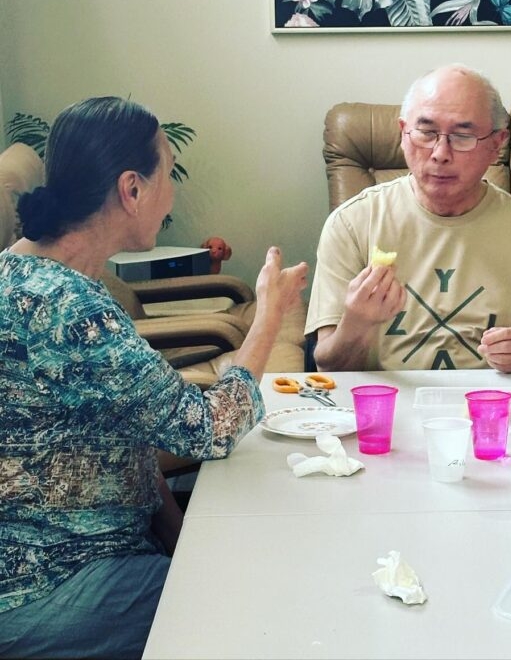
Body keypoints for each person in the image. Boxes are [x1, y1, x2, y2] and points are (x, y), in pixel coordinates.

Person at [0, 97, 308, 659]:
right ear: (131, 189)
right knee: (268, 600)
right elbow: (209, 430)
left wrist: (178, 540)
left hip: (75, 555)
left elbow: (133, 435)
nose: (172, 193)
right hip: (50, 584)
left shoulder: (31, 274)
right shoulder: (69, 309)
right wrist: (270, 316)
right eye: (167, 173)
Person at [306, 64, 511, 372]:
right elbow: (329, 370)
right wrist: (358, 323)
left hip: (494, 411)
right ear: (403, 134)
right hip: (386, 408)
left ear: (496, 145)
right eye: (426, 132)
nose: (440, 153)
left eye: (462, 136)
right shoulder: (351, 224)